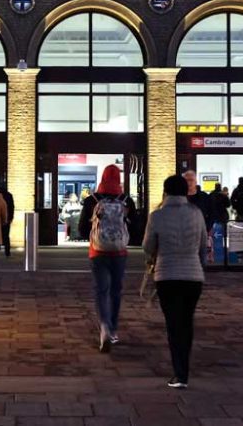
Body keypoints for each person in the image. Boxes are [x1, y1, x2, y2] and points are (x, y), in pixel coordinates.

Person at [143, 174, 211, 389]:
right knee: (187, 321)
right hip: (193, 276)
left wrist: (155, 256)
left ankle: (179, 373)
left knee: (173, 323)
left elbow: (147, 246)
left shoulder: (157, 216)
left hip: (167, 274)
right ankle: (184, 369)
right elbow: (202, 246)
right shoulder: (196, 214)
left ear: (166, 191)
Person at [78, 165, 136, 352]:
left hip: (98, 252)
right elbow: (136, 228)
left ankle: (103, 325)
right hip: (119, 252)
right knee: (116, 290)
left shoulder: (91, 200)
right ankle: (113, 329)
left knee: (101, 290)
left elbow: (81, 230)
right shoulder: (126, 201)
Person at [0, 180, 15, 257]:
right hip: (6, 218)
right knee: (6, 235)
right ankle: (7, 252)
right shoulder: (9, 195)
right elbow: (12, 207)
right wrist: (11, 217)